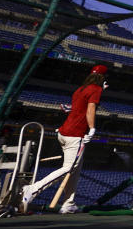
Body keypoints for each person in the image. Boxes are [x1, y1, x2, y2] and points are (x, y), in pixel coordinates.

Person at [21, 64, 107, 213]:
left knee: (75, 169)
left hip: (64, 132)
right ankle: (33, 189)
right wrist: (92, 128)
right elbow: (90, 108)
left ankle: (69, 203)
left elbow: (81, 105)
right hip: (76, 135)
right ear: (103, 78)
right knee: (70, 167)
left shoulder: (80, 89)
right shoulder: (96, 89)